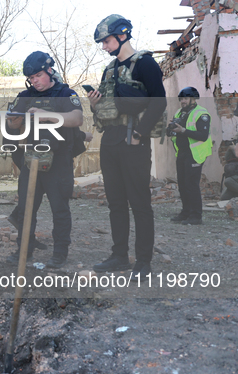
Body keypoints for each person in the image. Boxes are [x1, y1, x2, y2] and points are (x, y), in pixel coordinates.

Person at [88, 15, 166, 279]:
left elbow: (159, 102)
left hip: (134, 140)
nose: (104, 46)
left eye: (106, 40)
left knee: (140, 203)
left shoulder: (145, 64)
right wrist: (94, 104)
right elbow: (103, 109)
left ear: (122, 35)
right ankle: (119, 255)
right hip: (110, 141)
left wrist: (140, 134)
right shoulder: (109, 70)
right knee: (116, 203)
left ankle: (143, 262)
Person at [5, 51, 90, 268]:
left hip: (59, 161)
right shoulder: (24, 97)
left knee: (59, 209)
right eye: (31, 78)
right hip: (30, 159)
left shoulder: (65, 93)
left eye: (38, 76)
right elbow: (11, 126)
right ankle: (25, 250)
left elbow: (77, 118)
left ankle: (60, 253)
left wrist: (46, 114)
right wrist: (14, 122)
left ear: (49, 71)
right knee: (25, 209)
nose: (35, 81)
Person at [168, 87, 212, 224]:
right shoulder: (179, 113)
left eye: (185, 99)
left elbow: (203, 136)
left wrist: (183, 130)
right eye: (181, 99)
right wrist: (170, 129)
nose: (183, 101)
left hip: (195, 153)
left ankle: (196, 216)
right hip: (182, 152)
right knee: (182, 183)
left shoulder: (202, 114)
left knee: (191, 184)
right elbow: (175, 132)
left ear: (193, 99)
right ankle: (186, 212)